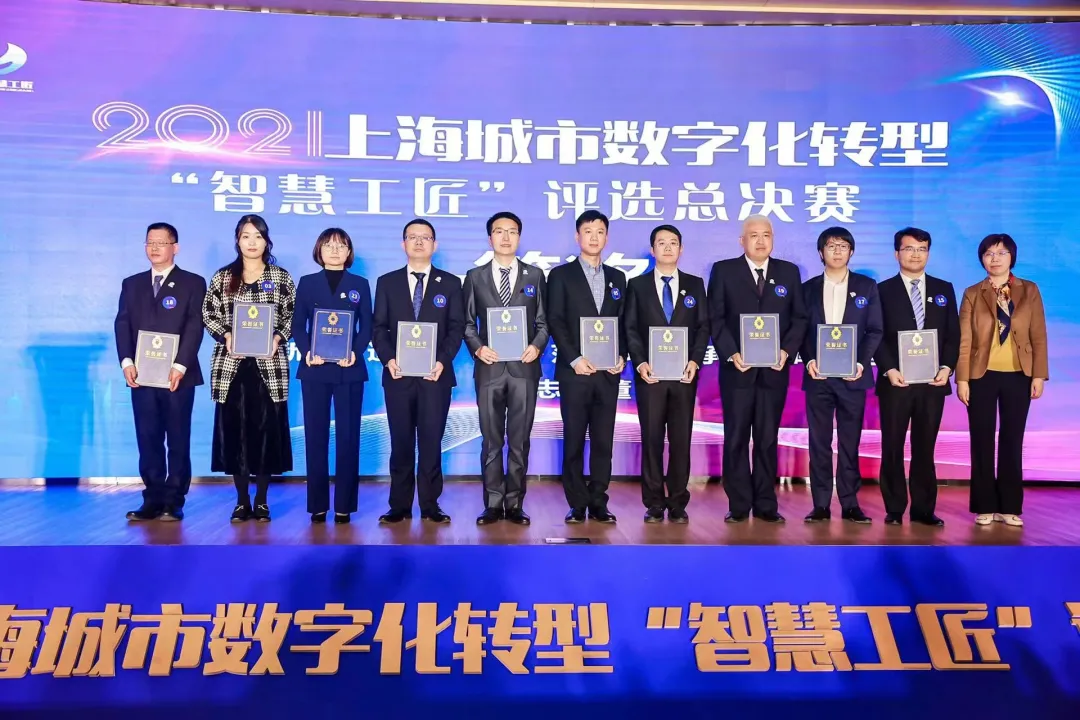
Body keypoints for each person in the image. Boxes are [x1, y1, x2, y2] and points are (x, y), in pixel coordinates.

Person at [706, 215, 807, 524]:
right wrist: (731, 353)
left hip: (774, 372)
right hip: (737, 371)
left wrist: (786, 351)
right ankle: (738, 504)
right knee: (736, 437)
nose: (761, 241)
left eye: (766, 235)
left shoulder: (788, 272)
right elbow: (715, 318)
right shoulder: (724, 271)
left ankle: (765, 503)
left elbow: (800, 318)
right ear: (742, 240)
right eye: (754, 235)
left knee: (767, 438)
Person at [202, 215, 296, 523]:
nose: (252, 242)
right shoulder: (223, 277)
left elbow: (292, 315)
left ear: (267, 241)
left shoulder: (280, 277)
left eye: (258, 236)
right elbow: (208, 314)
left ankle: (262, 501)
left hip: (269, 366)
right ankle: (242, 501)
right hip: (232, 367)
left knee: (266, 434)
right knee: (235, 435)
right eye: (246, 236)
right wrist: (227, 335)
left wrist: (278, 337)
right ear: (237, 241)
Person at [372, 219, 464, 524]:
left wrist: (442, 361)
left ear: (434, 245)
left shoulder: (450, 283)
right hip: (398, 376)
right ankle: (399, 506)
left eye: (425, 237)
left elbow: (456, 327)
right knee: (400, 442)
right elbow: (378, 327)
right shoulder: (387, 282)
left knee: (430, 442)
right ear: (403, 244)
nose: (419, 242)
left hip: (435, 376)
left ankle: (430, 505)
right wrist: (388, 359)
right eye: (413, 237)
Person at [114, 222, 206, 522]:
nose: (154, 248)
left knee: (178, 438)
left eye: (161, 242)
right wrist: (127, 362)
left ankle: (174, 500)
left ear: (174, 247)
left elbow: (194, 325)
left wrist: (180, 364)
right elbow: (122, 324)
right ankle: (152, 499)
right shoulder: (132, 284)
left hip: (178, 375)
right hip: (141, 375)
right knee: (148, 438)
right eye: (150, 242)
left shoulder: (192, 283)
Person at [463, 212, 549, 526]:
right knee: (491, 441)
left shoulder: (534, 275)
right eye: (499, 231)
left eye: (512, 231)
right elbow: (467, 323)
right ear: (490, 238)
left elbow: (543, 322)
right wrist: (478, 348)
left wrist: (536, 346)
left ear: (519, 237)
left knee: (519, 440)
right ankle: (492, 503)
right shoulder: (475, 276)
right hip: (489, 369)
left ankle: (514, 504)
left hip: (524, 369)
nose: (506, 237)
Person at [956, 234, 1048, 527]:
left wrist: (1038, 374)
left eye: (1001, 253)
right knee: (981, 439)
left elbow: (1038, 334)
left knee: (1012, 439)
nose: (994, 258)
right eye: (989, 253)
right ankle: (984, 505)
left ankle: (1009, 506)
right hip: (981, 375)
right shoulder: (973, 292)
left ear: (1012, 257)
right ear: (981, 258)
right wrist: (962, 379)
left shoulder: (1029, 289)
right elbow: (964, 340)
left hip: (1019, 374)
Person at [873, 227, 959, 527]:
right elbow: (876, 335)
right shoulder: (882, 290)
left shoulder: (943, 288)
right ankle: (894, 508)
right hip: (896, 382)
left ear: (928, 253)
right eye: (909, 248)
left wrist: (947, 368)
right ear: (896, 253)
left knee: (925, 447)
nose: (915, 254)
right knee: (892, 446)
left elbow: (953, 335)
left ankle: (923, 509)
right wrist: (889, 369)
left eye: (922, 249)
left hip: (933, 383)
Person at [624, 224, 709, 523]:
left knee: (681, 440)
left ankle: (677, 502)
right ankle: (654, 503)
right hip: (651, 376)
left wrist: (695, 361)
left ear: (681, 249)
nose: (668, 247)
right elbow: (630, 328)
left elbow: (703, 327)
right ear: (652, 249)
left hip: (685, 376)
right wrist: (640, 362)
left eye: (673, 242)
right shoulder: (637, 285)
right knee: (652, 439)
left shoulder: (695, 284)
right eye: (662, 243)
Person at [547, 210, 627, 524]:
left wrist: (622, 356)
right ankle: (577, 503)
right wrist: (575, 358)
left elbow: (624, 323)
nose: (594, 237)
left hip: (608, 374)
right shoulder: (561, 276)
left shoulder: (618, 278)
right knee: (574, 439)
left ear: (607, 237)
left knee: (604, 441)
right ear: (577, 236)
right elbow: (555, 320)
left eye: (600, 231)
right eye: (588, 231)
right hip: (575, 373)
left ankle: (599, 501)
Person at [799, 227, 883, 524]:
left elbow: (875, 329)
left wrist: (861, 362)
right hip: (818, 378)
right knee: (819, 442)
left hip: (853, 377)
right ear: (820, 252)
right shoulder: (807, 289)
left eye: (843, 246)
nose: (837, 251)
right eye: (831, 246)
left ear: (851, 252)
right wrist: (809, 359)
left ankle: (850, 503)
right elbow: (799, 331)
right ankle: (821, 504)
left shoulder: (867, 286)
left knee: (850, 442)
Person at [292, 228, 373, 525]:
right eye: (328, 245)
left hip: (349, 370)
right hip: (314, 369)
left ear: (349, 252)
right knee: (315, 437)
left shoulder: (360, 284)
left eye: (341, 245)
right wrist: (306, 351)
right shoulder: (307, 282)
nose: (335, 250)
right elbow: (298, 324)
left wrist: (356, 351)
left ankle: (344, 506)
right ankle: (317, 505)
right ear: (319, 250)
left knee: (348, 438)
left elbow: (367, 325)